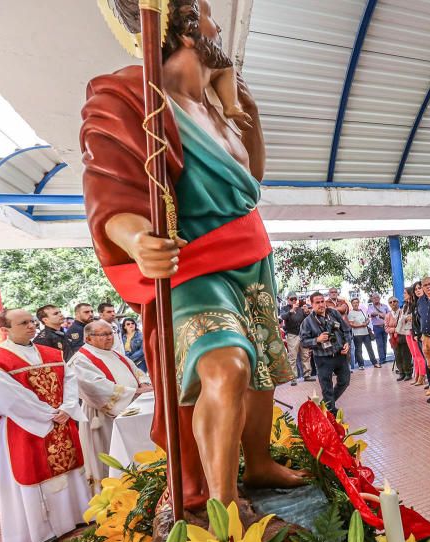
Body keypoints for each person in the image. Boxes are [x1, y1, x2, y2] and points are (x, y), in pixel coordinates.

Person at [80, 0, 301, 508]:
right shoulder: (131, 97)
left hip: (252, 256)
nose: (217, 24)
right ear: (181, 29)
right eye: (205, 14)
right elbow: (110, 189)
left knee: (263, 370)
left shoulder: (219, 104)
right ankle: (223, 505)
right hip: (193, 261)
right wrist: (137, 240)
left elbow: (252, 183)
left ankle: (260, 463)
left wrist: (243, 109)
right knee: (226, 368)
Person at [0, 308, 89, 542]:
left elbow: (70, 381)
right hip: (25, 426)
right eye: (23, 323)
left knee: (70, 467)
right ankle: (42, 532)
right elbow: (9, 399)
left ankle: (76, 515)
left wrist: (67, 407)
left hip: (59, 419)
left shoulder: (51, 353)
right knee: (34, 474)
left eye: (31, 321)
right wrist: (50, 415)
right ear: (5, 329)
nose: (31, 326)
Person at [69, 320, 152, 490]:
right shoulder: (80, 360)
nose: (109, 338)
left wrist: (143, 384)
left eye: (110, 333)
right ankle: (114, 493)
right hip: (102, 416)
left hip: (131, 409)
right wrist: (134, 392)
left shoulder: (115, 354)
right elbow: (94, 386)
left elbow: (137, 372)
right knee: (109, 454)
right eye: (103, 334)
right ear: (89, 338)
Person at [300, 292, 351, 413]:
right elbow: (303, 342)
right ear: (311, 304)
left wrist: (347, 343)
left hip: (340, 354)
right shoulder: (307, 322)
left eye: (322, 301)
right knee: (326, 388)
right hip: (323, 359)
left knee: (344, 381)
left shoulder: (334, 313)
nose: (321, 304)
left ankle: (325, 404)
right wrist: (317, 340)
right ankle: (331, 412)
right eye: (317, 302)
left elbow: (346, 330)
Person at [280, 290, 312, 385]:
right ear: (288, 299)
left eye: (295, 299)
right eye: (291, 299)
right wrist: (291, 311)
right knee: (292, 357)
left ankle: (307, 375)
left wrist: (306, 312)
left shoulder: (301, 308)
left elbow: (307, 319)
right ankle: (293, 378)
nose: (294, 300)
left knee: (305, 355)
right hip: (292, 335)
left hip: (302, 334)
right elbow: (282, 317)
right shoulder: (285, 308)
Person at [402, 284, 426, 385]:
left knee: (419, 355)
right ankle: (416, 375)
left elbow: (414, 318)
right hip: (407, 332)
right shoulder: (406, 305)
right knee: (414, 355)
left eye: (405, 293)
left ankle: (422, 376)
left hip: (414, 331)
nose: (403, 295)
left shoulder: (415, 304)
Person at [348, 297, 379, 370]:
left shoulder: (362, 311)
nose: (355, 304)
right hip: (357, 334)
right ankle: (361, 365)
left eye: (356, 302)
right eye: (354, 303)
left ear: (358, 303)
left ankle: (374, 362)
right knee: (359, 350)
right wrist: (362, 325)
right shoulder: (351, 313)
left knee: (370, 349)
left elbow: (367, 319)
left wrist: (367, 322)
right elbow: (351, 324)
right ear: (352, 304)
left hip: (366, 333)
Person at [385, 296, 411, 381]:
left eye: (394, 301)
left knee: (405, 355)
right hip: (394, 339)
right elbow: (386, 328)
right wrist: (394, 330)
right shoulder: (388, 315)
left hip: (403, 336)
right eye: (390, 302)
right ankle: (401, 373)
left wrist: (398, 329)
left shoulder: (402, 312)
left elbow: (405, 323)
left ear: (398, 302)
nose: (393, 303)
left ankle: (408, 372)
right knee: (397, 356)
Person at [365, 293, 391, 365]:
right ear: (372, 299)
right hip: (376, 327)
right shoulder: (370, 307)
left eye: (377, 297)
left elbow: (389, 315)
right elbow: (371, 314)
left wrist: (382, 315)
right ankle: (382, 359)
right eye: (374, 298)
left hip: (385, 326)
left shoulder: (385, 306)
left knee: (385, 343)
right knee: (379, 344)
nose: (376, 299)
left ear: (379, 298)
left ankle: (384, 358)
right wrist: (379, 314)